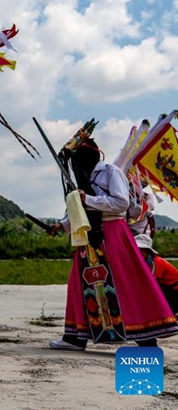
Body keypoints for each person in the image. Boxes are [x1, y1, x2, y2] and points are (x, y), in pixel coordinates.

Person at [47, 125, 178, 350]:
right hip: (89, 237)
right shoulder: (84, 177)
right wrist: (62, 224)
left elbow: (121, 203)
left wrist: (87, 198)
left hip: (114, 234)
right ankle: (75, 337)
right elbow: (81, 209)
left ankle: (146, 337)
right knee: (80, 283)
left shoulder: (110, 171)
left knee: (125, 283)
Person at [135, 233, 178, 315]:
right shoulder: (147, 262)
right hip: (166, 287)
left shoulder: (157, 262)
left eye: (140, 249)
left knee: (166, 313)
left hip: (174, 290)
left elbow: (148, 283)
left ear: (146, 251)